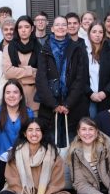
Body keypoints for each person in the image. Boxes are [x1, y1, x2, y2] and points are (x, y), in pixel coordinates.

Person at [36, 16, 90, 147]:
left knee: (72, 146)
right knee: (51, 146)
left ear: (67, 28)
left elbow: (80, 78)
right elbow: (41, 79)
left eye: (63, 25)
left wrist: (67, 104)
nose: (60, 27)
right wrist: (53, 104)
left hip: (73, 106)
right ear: (52, 28)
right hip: (50, 107)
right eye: (57, 25)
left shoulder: (77, 48)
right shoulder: (44, 49)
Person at [0, 79, 34, 190]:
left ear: (21, 96)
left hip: (23, 156)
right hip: (1, 158)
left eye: (15, 92)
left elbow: (31, 136)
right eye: (8, 92)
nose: (11, 95)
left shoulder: (28, 113)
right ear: (4, 96)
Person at [3, 15, 42, 113]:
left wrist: (18, 75)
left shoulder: (40, 48)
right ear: (17, 30)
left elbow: (41, 73)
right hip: (15, 97)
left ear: (32, 29)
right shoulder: (9, 48)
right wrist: (31, 71)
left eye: (26, 27)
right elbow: (8, 73)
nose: (23, 30)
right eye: (20, 27)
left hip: (35, 99)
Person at [87, 22, 105, 116]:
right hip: (88, 96)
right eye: (94, 32)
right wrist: (90, 93)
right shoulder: (83, 52)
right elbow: (80, 77)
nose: (97, 35)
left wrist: (105, 92)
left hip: (105, 96)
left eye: (100, 32)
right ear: (89, 33)